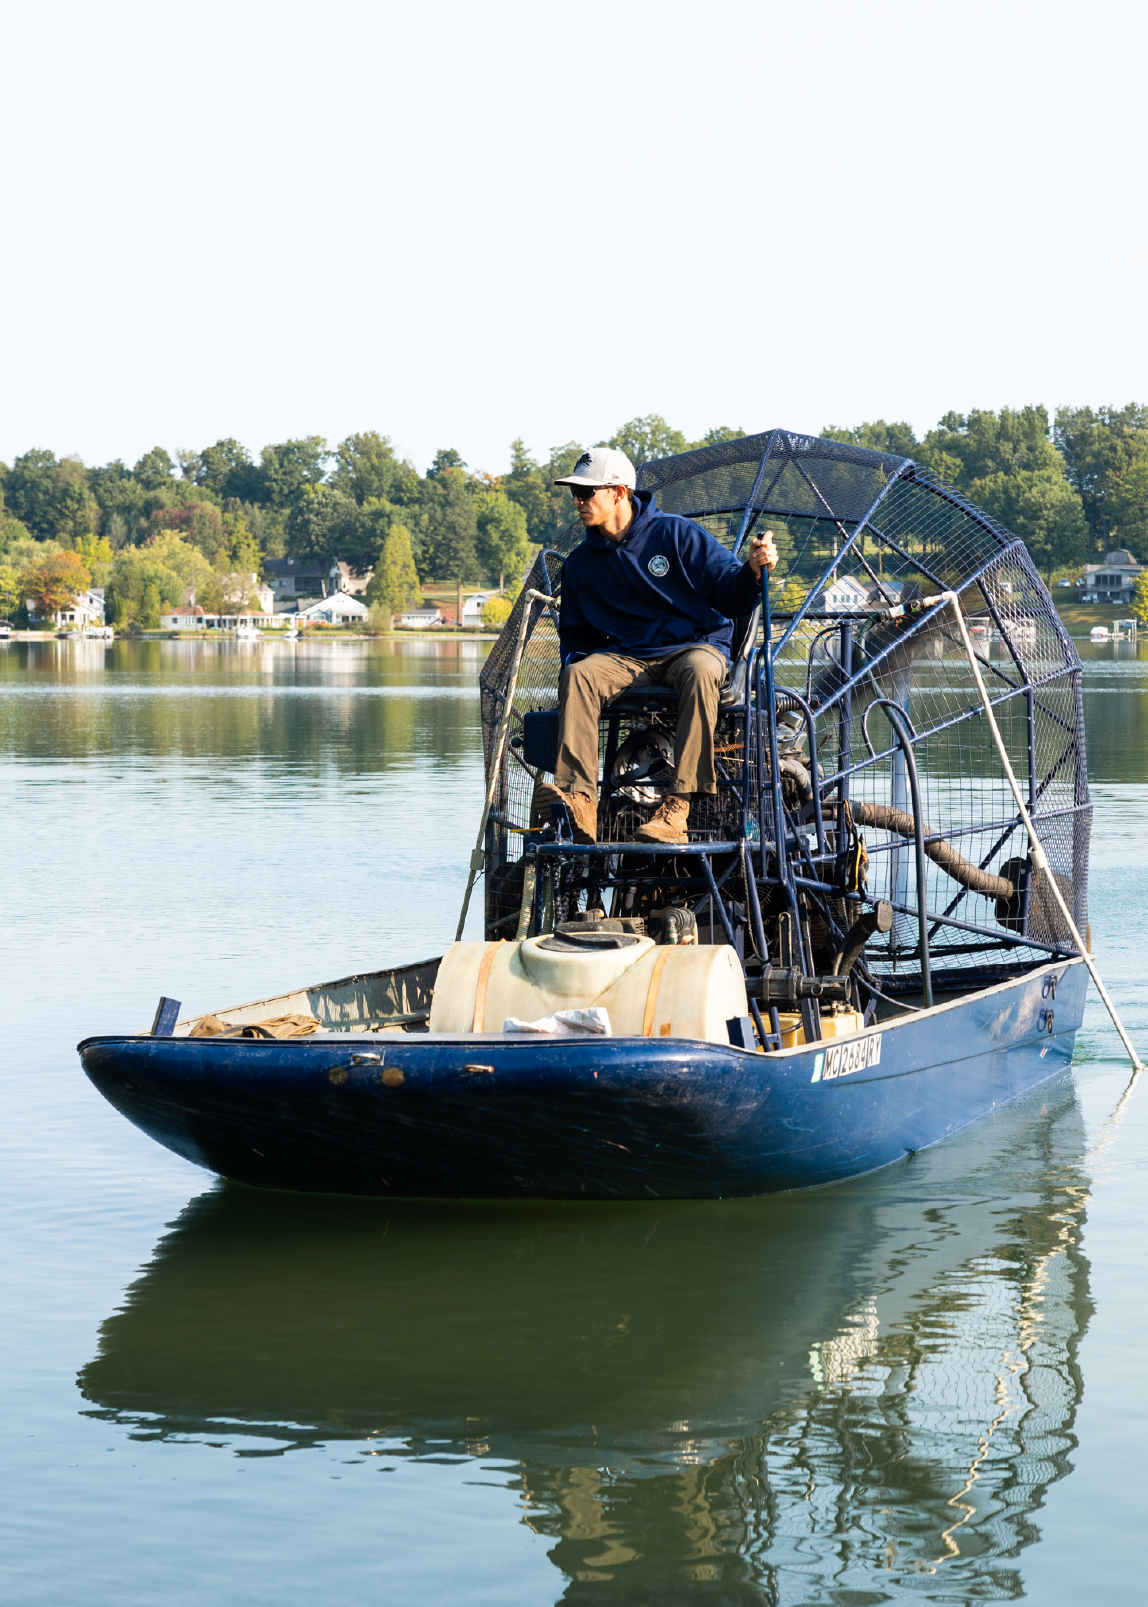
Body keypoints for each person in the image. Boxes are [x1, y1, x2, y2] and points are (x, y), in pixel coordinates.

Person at [534, 446, 778, 845]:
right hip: (626, 657)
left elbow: (728, 594)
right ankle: (580, 802)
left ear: (618, 492)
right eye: (574, 494)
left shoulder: (676, 534)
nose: (577, 502)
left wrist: (753, 570)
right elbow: (576, 638)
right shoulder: (580, 563)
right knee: (578, 674)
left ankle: (677, 808)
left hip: (693, 648)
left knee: (701, 670)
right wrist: (587, 660)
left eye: (586, 493)